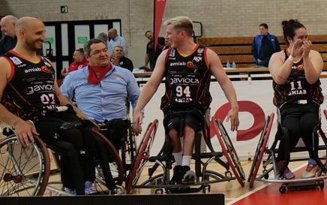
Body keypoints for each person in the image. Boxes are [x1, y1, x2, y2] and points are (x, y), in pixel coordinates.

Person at [0, 17, 100, 195]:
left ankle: (87, 182)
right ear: (22, 33)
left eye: (43, 32)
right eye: (38, 33)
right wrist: (17, 123)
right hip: (30, 121)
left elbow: (58, 95)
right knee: (72, 135)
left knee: (89, 132)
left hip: (54, 117)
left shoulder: (46, 63)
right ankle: (74, 186)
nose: (43, 37)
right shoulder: (1, 64)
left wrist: (78, 112)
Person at [133, 16, 240, 185]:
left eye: (169, 33)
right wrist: (138, 109)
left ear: (181, 34)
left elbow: (225, 82)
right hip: (172, 106)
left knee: (189, 126)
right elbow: (152, 84)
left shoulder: (207, 54)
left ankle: (183, 167)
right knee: (173, 131)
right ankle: (181, 169)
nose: (166, 37)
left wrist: (234, 106)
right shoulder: (166, 55)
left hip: (197, 106)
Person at [61, 38, 140, 153]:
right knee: (81, 132)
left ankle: (108, 156)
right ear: (87, 57)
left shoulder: (125, 74)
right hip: (89, 123)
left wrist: (137, 115)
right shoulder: (73, 77)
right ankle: (102, 157)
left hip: (117, 123)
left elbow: (136, 98)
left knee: (118, 125)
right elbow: (62, 98)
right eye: (97, 52)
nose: (103, 54)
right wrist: (76, 112)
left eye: (105, 50)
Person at [269, 19, 325, 179]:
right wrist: (291, 58)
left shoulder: (314, 55)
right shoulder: (277, 57)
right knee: (290, 129)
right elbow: (279, 79)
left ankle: (314, 161)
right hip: (288, 105)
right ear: (290, 39)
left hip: (310, 103)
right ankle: (282, 162)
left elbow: (312, 79)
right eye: (300, 37)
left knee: (308, 125)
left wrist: (305, 57)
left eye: (306, 37)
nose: (304, 40)